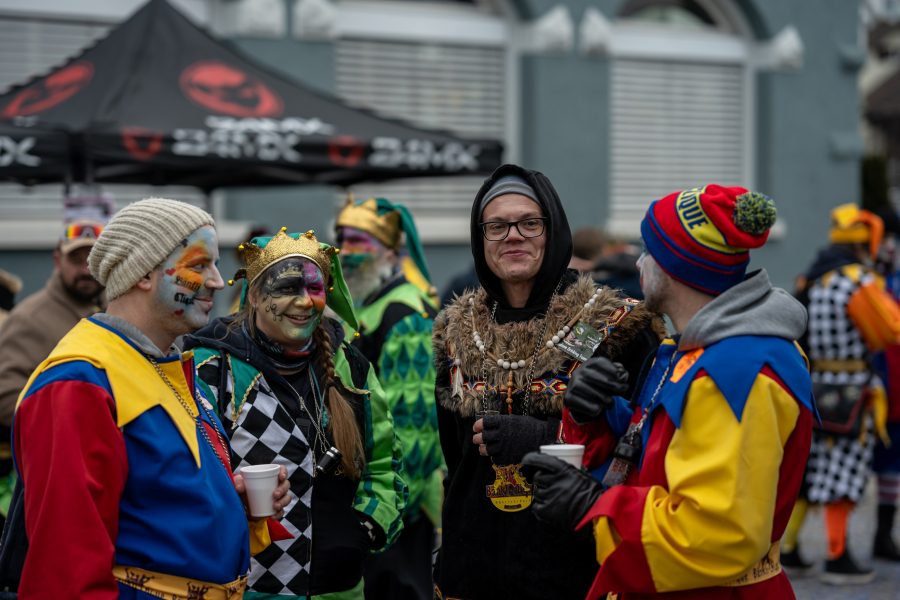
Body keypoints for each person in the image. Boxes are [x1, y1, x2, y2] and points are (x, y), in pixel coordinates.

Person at [522, 185, 816, 600]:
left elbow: (717, 532)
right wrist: (597, 414)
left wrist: (595, 507)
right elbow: (661, 456)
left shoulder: (736, 372)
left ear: (677, 266)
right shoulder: (696, 352)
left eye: (649, 250)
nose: (638, 261)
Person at [7, 198, 291, 598]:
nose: (218, 281)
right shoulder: (79, 382)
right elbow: (67, 568)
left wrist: (229, 503)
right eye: (199, 265)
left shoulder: (164, 365)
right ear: (143, 273)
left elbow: (151, 511)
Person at [431, 164, 667, 600]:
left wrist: (546, 438)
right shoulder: (456, 331)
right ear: (480, 238)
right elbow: (455, 457)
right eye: (497, 226)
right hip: (473, 572)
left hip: (575, 572)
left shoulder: (614, 325)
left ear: (553, 229)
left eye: (529, 223)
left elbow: (647, 451)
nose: (513, 236)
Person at [183, 228, 407, 600]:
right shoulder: (212, 370)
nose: (304, 301)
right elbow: (187, 480)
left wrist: (366, 527)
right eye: (287, 287)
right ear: (254, 295)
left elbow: (385, 463)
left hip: (340, 591)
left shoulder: (351, 367)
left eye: (315, 288)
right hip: (243, 589)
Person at [782, 203, 899, 583]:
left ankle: (791, 551)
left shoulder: (813, 278)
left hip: (813, 384)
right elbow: (890, 330)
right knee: (845, 470)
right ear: (865, 244)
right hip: (851, 389)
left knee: (812, 468)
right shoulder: (857, 280)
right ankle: (837, 557)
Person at [335, 196, 442, 600]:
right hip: (361, 496)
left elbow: (415, 429)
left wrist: (388, 509)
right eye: (342, 239)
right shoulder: (366, 305)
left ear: (391, 252)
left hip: (395, 506)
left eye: (358, 241)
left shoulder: (405, 314)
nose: (346, 251)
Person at [0, 218, 106, 431]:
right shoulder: (28, 319)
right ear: (57, 261)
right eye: (76, 260)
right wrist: (75, 428)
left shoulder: (119, 309)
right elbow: (7, 399)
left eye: (94, 260)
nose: (86, 270)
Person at [871, 205, 900, 561]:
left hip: (895, 390)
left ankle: (883, 534)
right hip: (861, 387)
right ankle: (837, 547)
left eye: (895, 239)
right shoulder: (857, 279)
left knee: (892, 464)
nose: (891, 246)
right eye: (886, 238)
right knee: (843, 466)